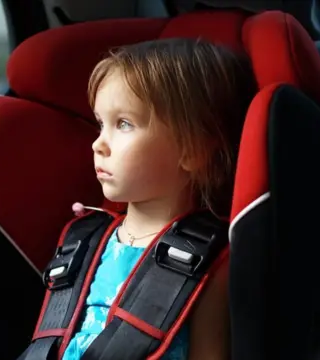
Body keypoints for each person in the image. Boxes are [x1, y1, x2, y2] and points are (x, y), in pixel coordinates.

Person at [61, 38, 257, 360]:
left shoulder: (211, 262)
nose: (99, 143)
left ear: (191, 149)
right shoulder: (88, 241)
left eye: (123, 124)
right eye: (100, 124)